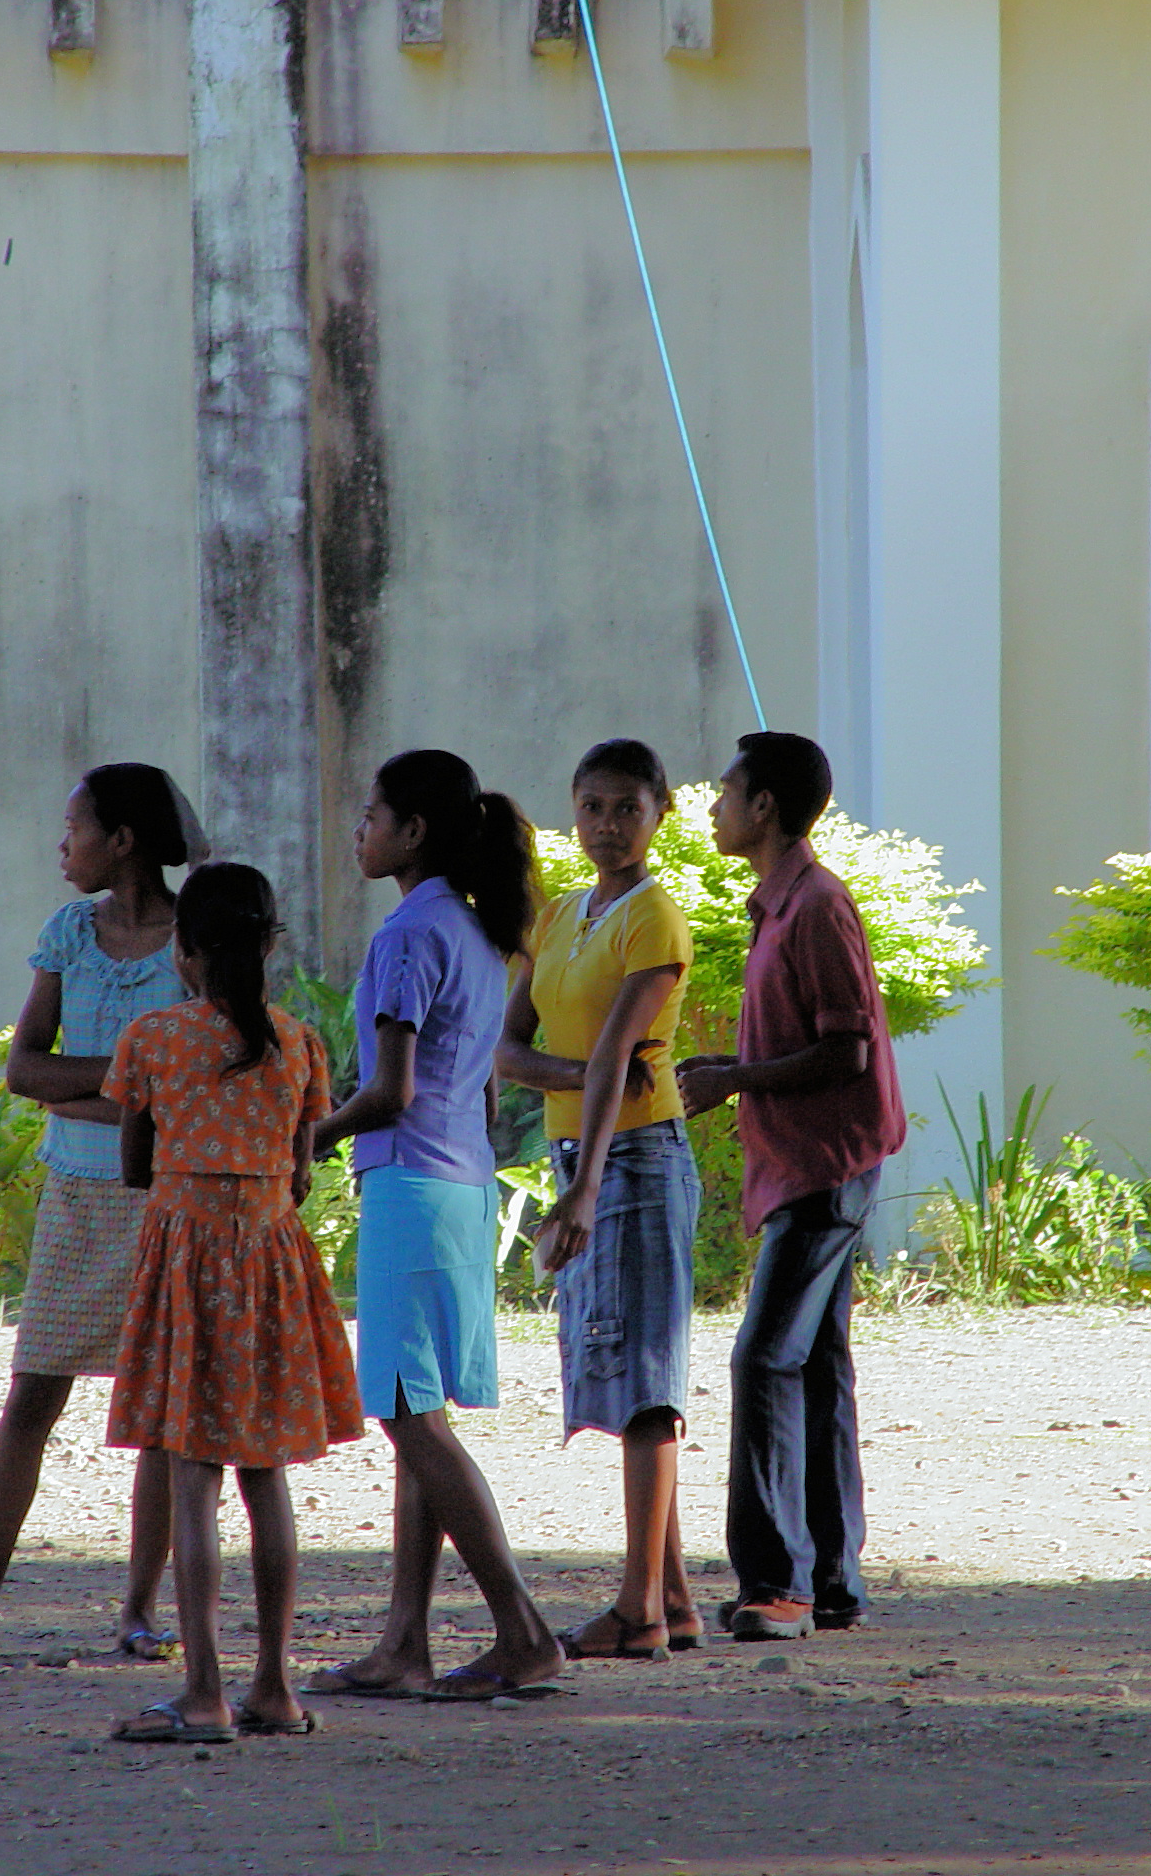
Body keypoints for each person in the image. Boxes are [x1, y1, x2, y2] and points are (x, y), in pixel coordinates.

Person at [0, 765, 204, 1665]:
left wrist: (111, 1088)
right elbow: (26, 1070)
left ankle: (141, 1610)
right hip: (77, 1195)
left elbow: (200, 1081)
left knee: (159, 1410)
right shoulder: (68, 931)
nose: (60, 845)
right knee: (32, 1391)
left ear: (122, 841)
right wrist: (139, 1090)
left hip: (167, 1200)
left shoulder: (196, 936)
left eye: (72, 827)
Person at [304, 749, 566, 1703]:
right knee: (421, 1413)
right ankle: (404, 1643)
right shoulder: (475, 932)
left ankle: (523, 1630)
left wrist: (308, 1140)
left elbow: (389, 1089)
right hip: (462, 1185)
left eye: (372, 814)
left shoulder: (410, 935)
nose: (361, 828)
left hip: (411, 1186)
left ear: (414, 831)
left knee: (406, 1413)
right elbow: (478, 1089)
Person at [100, 863, 363, 1744]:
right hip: (273, 1266)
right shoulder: (300, 1045)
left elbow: (133, 1165)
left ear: (184, 953)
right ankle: (275, 1689)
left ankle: (204, 1693)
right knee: (267, 1477)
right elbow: (299, 1169)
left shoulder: (151, 1039)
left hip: (185, 1262)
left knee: (192, 1479)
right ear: (271, 946)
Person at [677, 732, 903, 1643]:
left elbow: (845, 1048)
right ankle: (831, 1580)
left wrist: (735, 1078)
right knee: (814, 1367)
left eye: (727, 791)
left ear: (764, 806)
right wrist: (738, 1070)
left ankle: (777, 1584)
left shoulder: (815, 905)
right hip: (810, 1162)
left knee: (763, 1357)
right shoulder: (779, 904)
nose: (716, 806)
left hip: (828, 1165)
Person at [498, 738, 703, 1659]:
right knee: (616, 1364)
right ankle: (674, 1599)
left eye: (627, 808)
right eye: (592, 807)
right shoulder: (558, 918)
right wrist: (590, 1079)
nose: (607, 826)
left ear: (661, 813)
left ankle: (639, 1611)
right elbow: (509, 1051)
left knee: (644, 1380)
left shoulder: (654, 918)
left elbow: (622, 1055)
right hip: (584, 1146)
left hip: (633, 1159)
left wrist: (581, 1189)